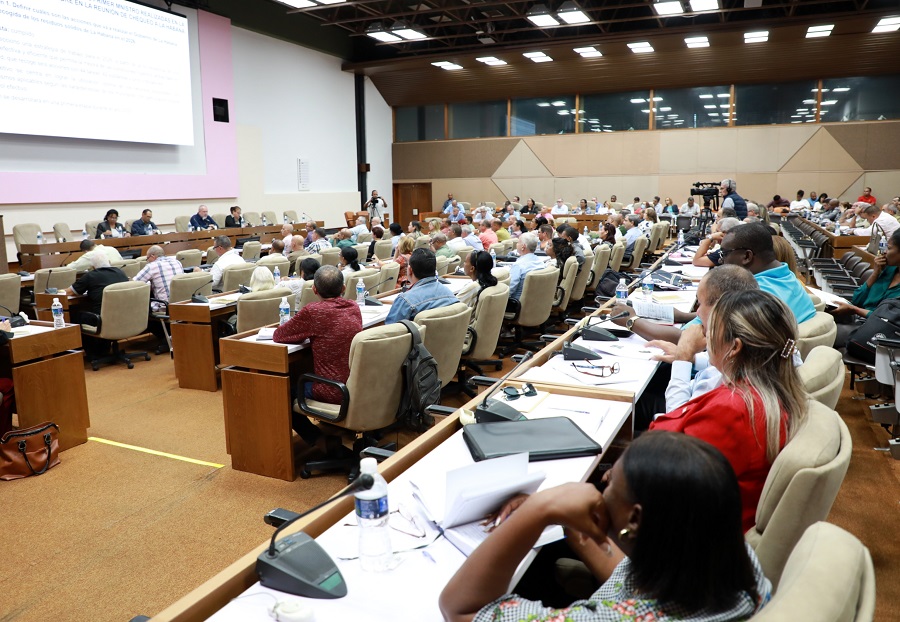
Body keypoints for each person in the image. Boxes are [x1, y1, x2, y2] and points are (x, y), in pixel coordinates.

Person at [439, 432, 772, 622]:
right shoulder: (731, 558)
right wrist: (567, 522)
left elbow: (462, 609)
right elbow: (629, 576)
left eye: (611, 482)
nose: (602, 482)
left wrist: (539, 509)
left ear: (635, 519)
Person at [650, 290, 808, 531]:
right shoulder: (760, 390)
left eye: (711, 328)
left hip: (691, 530)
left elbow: (668, 467)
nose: (705, 334)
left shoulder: (734, 410)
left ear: (734, 347)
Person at [273, 265, 361, 460]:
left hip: (333, 390)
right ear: (344, 288)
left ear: (314, 289)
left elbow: (279, 335)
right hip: (356, 385)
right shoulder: (353, 307)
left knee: (281, 392)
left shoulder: (314, 311)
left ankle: (319, 440)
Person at [645, 265, 760, 412]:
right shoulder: (742, 350)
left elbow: (676, 417)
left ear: (719, 307)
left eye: (700, 303)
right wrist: (693, 358)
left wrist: (683, 357)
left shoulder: (729, 388)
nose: (697, 312)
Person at [719, 223, 817, 324]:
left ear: (747, 256)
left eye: (724, 254)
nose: (720, 260)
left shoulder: (753, 297)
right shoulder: (790, 278)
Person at [831, 228, 900, 347]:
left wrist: (855, 310)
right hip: (859, 319)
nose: (884, 252)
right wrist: (875, 273)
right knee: (822, 315)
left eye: (889, 248)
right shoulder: (888, 269)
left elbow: (886, 319)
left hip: (881, 332)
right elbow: (857, 300)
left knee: (826, 333)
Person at [67, 253, 129, 354]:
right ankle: (103, 349)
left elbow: (70, 292)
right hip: (123, 317)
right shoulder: (120, 272)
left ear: (93, 267)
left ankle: (92, 353)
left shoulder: (90, 275)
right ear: (109, 262)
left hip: (102, 319)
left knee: (74, 316)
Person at [385, 248, 458, 324]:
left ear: (410, 270)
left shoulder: (405, 300)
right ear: (434, 270)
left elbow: (391, 329)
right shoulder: (450, 295)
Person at [133, 245, 184, 312]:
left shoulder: (151, 266)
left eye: (147, 258)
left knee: (139, 306)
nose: (147, 261)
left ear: (152, 256)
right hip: (182, 304)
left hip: (165, 307)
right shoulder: (177, 262)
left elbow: (135, 284)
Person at [508, 233, 544, 301]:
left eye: (518, 242)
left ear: (523, 246)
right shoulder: (540, 262)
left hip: (516, 303)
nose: (517, 244)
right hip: (535, 301)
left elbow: (509, 290)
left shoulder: (518, 265)